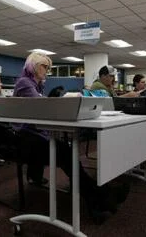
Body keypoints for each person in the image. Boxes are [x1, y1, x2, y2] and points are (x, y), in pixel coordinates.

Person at [14, 52, 129, 220]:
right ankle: (97, 196)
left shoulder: (36, 84)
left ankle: (97, 196)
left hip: (36, 136)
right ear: (33, 65)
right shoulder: (25, 83)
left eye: (48, 67)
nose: (47, 70)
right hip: (26, 139)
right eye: (44, 66)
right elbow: (42, 108)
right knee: (66, 153)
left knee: (66, 153)